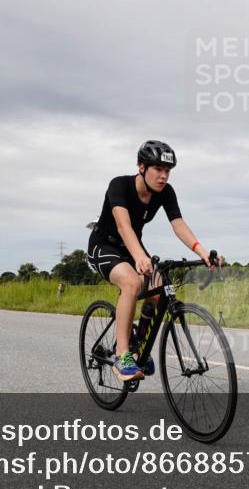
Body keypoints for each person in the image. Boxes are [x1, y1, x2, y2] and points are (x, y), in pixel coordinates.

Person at [87, 140, 220, 382]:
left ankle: (138, 343)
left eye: (167, 171)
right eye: (158, 169)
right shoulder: (119, 185)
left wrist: (200, 251)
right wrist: (139, 256)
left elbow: (178, 223)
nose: (163, 176)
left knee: (158, 289)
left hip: (132, 247)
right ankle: (122, 355)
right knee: (131, 282)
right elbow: (123, 225)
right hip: (104, 245)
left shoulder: (165, 193)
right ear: (141, 167)